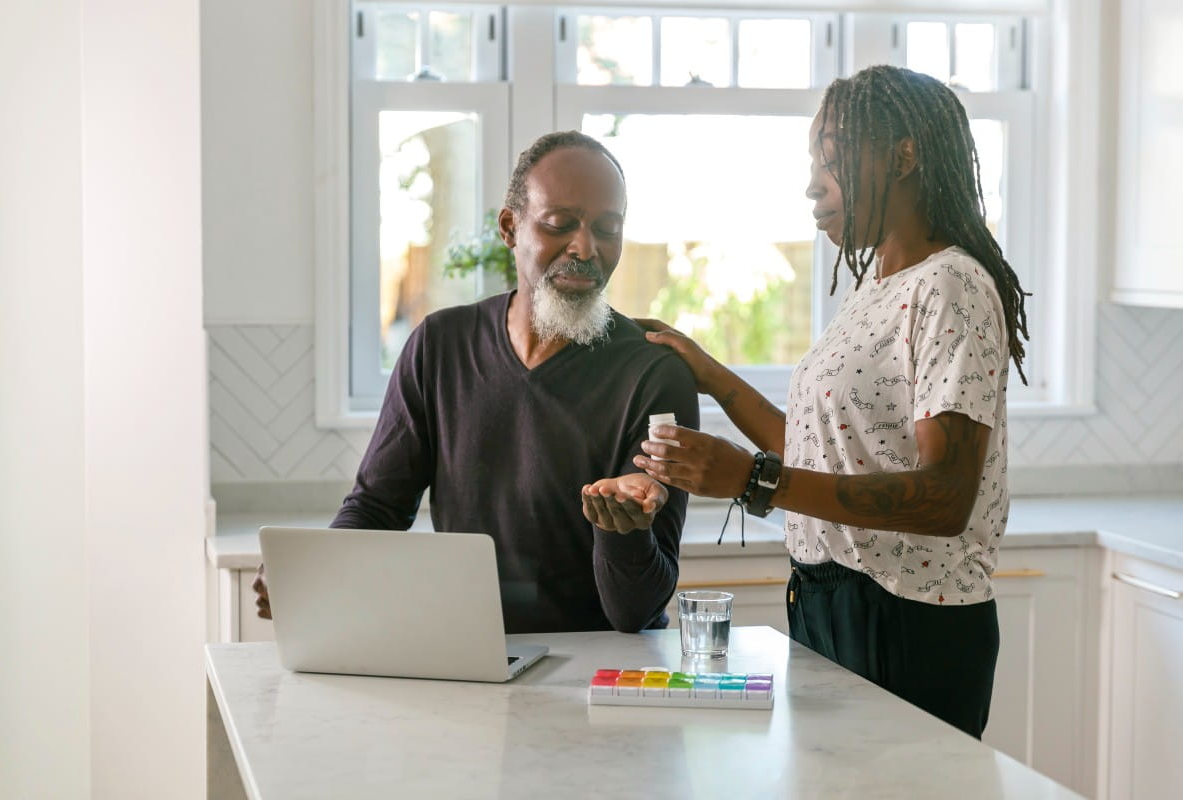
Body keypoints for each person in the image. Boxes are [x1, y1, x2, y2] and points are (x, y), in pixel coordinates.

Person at [633, 65, 1030, 739]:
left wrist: (754, 480)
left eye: (832, 158)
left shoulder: (950, 286)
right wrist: (712, 375)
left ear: (904, 155)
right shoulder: (878, 285)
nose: (813, 182)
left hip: (907, 621)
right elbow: (828, 450)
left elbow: (945, 497)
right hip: (829, 600)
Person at [254, 130, 699, 634]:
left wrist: (623, 531)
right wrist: (317, 568)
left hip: (608, 670)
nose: (585, 246)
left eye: (607, 227)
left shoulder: (654, 374)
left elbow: (635, 613)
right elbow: (379, 506)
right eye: (560, 224)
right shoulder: (439, 345)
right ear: (509, 227)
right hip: (474, 653)